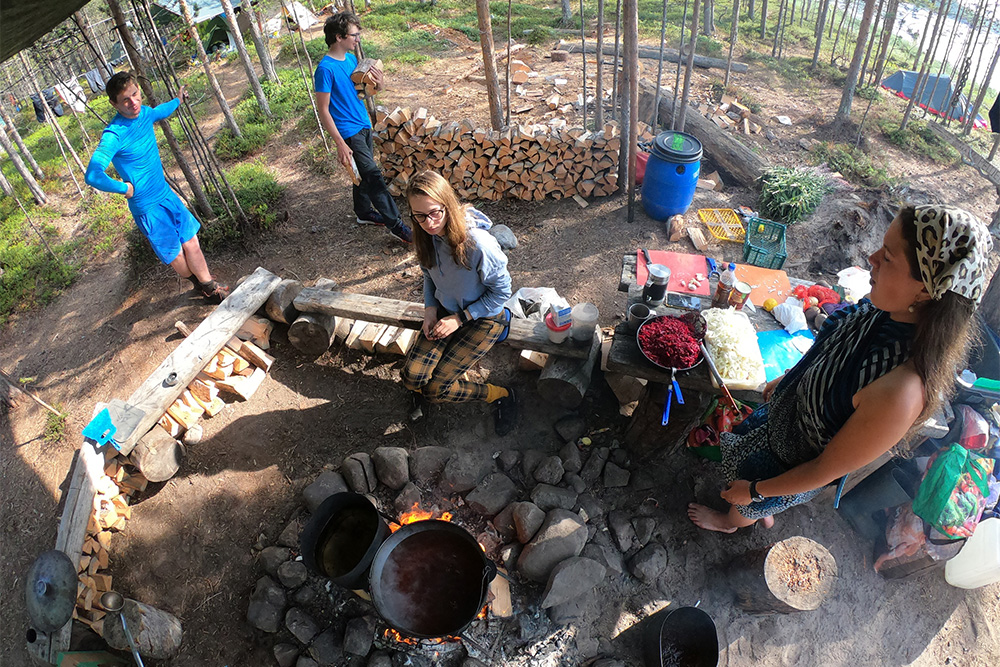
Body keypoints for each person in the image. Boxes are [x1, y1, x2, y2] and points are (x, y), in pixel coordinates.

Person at [689, 204, 993, 533]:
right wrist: (791, 378)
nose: (871, 259)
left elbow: (822, 469)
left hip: (792, 464)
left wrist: (753, 491)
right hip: (781, 420)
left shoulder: (900, 391)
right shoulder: (880, 308)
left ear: (925, 289)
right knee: (751, 483)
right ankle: (758, 503)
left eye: (887, 257)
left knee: (747, 498)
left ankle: (731, 522)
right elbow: (829, 348)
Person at [84, 72, 229, 303]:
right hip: (147, 207)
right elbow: (92, 175)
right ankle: (197, 283)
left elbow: (161, 111)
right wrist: (124, 189)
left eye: (135, 94)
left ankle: (210, 288)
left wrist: (179, 100)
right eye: (125, 100)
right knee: (177, 257)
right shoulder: (114, 134)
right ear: (114, 104)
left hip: (165, 194)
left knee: (192, 242)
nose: (133, 103)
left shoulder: (145, 114)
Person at [400, 171, 518, 436]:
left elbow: (501, 294)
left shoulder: (478, 244)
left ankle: (500, 395)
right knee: (411, 377)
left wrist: (460, 319)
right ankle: (441, 375)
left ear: (447, 204)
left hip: (485, 317)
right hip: (445, 311)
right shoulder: (426, 236)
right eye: (419, 216)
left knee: (436, 390)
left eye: (434, 213)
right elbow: (428, 274)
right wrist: (430, 309)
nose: (428, 223)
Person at [314, 11, 412, 244]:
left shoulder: (349, 60)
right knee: (373, 176)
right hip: (348, 132)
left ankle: (363, 213)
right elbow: (324, 110)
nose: (357, 39)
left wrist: (379, 84)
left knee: (363, 175)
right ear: (339, 37)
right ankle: (396, 225)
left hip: (363, 124)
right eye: (354, 35)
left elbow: (362, 94)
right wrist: (339, 143)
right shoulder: (325, 69)